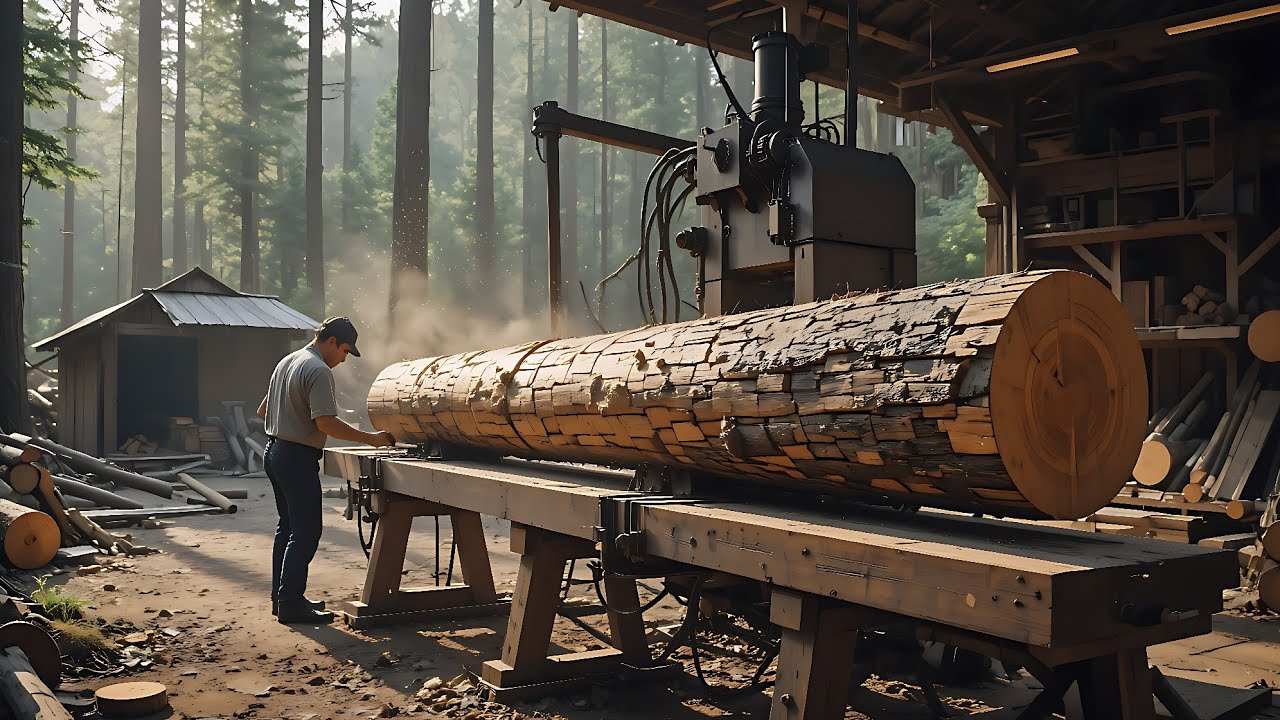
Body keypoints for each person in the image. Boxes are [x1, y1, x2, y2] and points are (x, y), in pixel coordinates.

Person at [257, 316, 395, 624]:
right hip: (295, 458)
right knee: (306, 532)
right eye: (345, 351)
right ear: (331, 342)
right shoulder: (318, 369)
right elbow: (325, 424)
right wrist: (369, 438)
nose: (344, 359)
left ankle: (283, 599)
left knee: (288, 528)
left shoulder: (288, 361)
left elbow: (263, 410)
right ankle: (291, 603)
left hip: (274, 452)